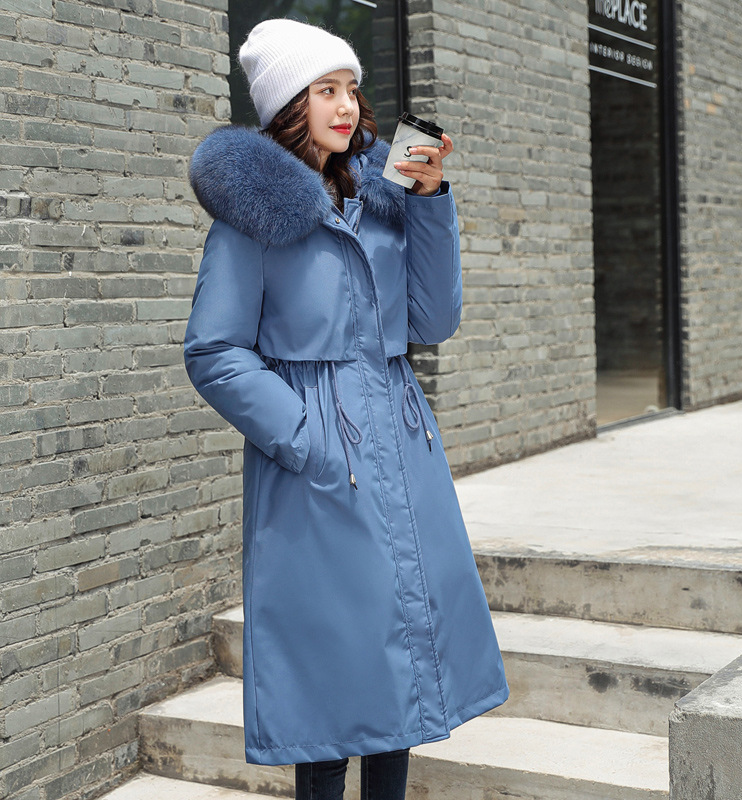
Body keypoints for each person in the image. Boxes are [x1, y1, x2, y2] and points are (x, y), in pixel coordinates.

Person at [184, 18, 509, 800]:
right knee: (331, 684)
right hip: (318, 468)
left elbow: (432, 321)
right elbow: (214, 351)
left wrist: (429, 206)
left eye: (351, 88)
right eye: (324, 89)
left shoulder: (383, 197)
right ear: (288, 105)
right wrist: (305, 436)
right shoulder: (252, 218)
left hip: (400, 445)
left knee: (402, 683)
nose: (345, 105)